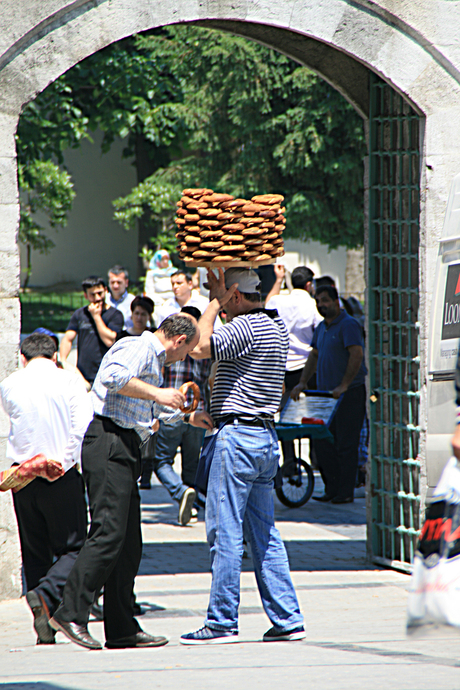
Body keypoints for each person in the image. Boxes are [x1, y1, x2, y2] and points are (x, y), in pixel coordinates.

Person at [49, 315, 213, 650]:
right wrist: (160, 393)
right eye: (188, 351)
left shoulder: (151, 358)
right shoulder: (139, 345)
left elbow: (144, 404)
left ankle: (122, 628)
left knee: (128, 543)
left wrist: (187, 416)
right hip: (108, 441)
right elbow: (111, 377)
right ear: (179, 341)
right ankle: (70, 611)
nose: (185, 358)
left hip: (124, 446)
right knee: (108, 532)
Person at [180, 268, 305, 645]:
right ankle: (288, 618)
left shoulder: (245, 326)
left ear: (236, 294)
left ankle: (221, 622)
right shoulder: (276, 325)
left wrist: (213, 304)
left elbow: (197, 346)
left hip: (237, 438)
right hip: (265, 437)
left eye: (221, 293)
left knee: (226, 531)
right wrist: (223, 300)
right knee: (264, 534)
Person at [0, 333, 92, 645]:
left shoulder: (10, 383)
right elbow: (82, 425)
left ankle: (43, 620)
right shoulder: (68, 381)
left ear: (23, 358)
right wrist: (64, 462)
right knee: (74, 547)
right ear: (54, 356)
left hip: (23, 477)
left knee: (34, 549)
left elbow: (17, 421)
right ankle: (45, 594)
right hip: (61, 472)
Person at [291, 285, 367, 504]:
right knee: (323, 443)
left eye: (325, 300)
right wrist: (302, 382)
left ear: (336, 302)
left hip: (349, 394)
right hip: (325, 397)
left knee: (346, 444)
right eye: (318, 302)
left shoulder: (349, 325)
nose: (322, 305)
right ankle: (331, 489)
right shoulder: (322, 328)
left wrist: (344, 385)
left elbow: (356, 355)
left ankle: (345, 492)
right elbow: (314, 355)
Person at [150, 305, 211, 525]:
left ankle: (181, 492)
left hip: (170, 410)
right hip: (198, 411)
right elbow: (209, 381)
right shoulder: (204, 348)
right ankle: (191, 506)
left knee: (162, 461)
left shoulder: (173, 346)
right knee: (191, 464)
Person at [265, 264, 322, 468]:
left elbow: (267, 304)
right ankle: (317, 458)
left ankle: (288, 460)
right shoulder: (313, 305)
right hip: (307, 369)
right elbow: (320, 333)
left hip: (281, 370)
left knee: (285, 416)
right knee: (314, 414)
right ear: (309, 285)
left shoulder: (278, 301)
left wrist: (278, 279)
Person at [59, 276, 123, 388]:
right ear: (85, 295)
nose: (97, 298)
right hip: (84, 374)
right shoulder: (79, 314)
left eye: (100, 293)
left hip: (107, 372)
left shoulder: (115, 315)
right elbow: (68, 338)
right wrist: (63, 360)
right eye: (92, 295)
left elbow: (110, 341)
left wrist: (96, 317)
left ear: (106, 291)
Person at [154, 270, 219, 329]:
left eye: (179, 283)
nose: (175, 287)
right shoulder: (166, 306)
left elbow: (217, 326)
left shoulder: (204, 303)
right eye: (173, 283)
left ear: (190, 284)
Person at [107, 265, 135, 329]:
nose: (115, 286)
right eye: (112, 282)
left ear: (126, 283)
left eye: (119, 282)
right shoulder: (104, 300)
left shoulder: (133, 302)